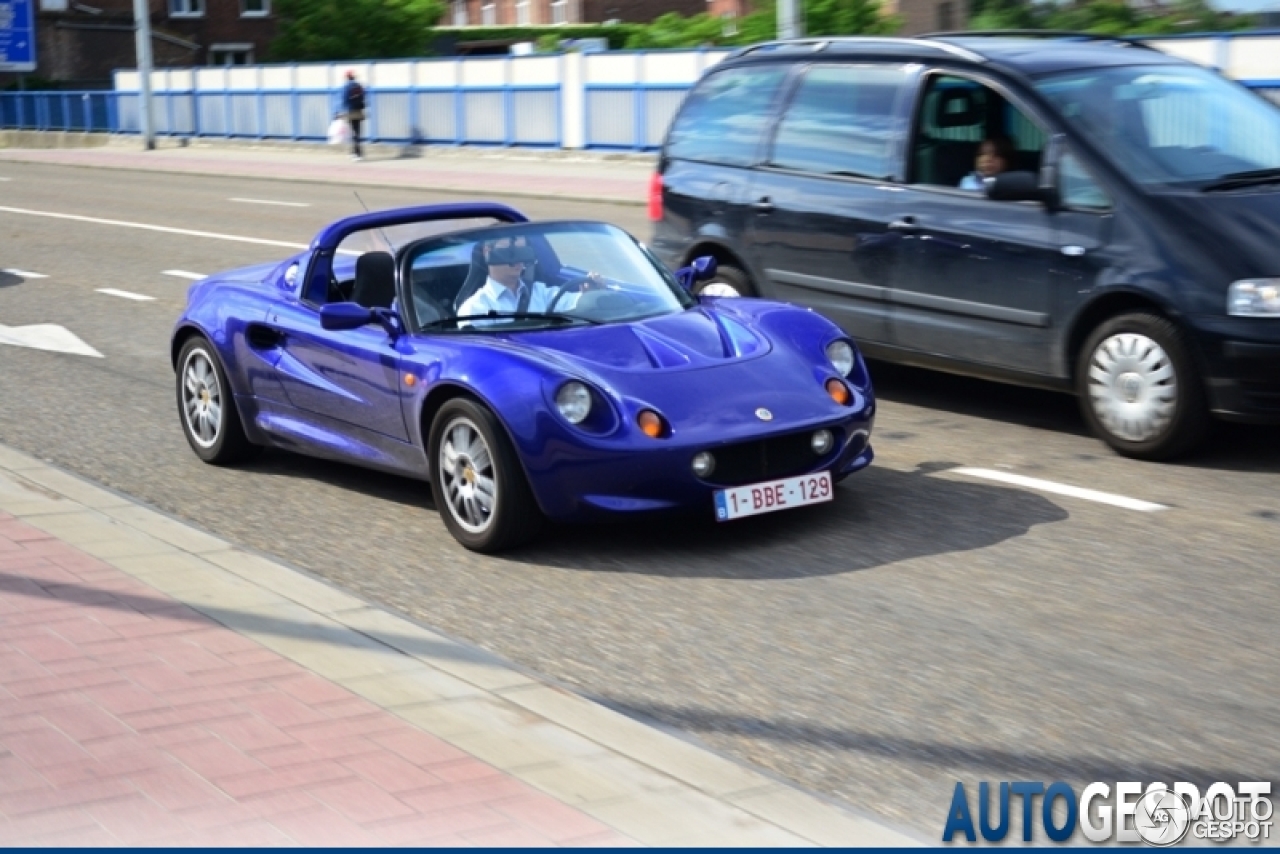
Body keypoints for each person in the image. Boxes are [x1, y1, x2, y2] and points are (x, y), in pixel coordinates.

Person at [457, 236, 596, 326]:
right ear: (488, 252)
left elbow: (579, 303)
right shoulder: (475, 309)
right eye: (510, 251)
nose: (519, 259)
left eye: (523, 251)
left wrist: (590, 294)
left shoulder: (541, 293)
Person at [338, 71, 367, 161]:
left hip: (350, 112)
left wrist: (340, 112)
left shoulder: (346, 86)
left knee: (352, 133)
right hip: (359, 111)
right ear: (354, 77)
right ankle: (356, 152)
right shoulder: (359, 85)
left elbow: (344, 100)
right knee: (357, 133)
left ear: (347, 77)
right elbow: (364, 96)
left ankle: (356, 154)